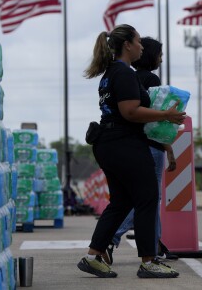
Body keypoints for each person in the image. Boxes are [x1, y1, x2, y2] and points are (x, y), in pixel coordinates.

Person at [78, 24, 185, 278]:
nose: (141, 47)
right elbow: (130, 112)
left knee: (122, 202)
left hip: (110, 144)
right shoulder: (123, 73)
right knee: (147, 198)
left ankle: (94, 256)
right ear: (127, 44)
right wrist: (167, 115)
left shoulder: (110, 73)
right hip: (124, 144)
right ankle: (149, 261)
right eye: (138, 42)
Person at [105, 37, 178, 264]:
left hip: (132, 143)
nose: (161, 59)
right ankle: (111, 237)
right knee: (148, 199)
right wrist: (168, 147)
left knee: (142, 198)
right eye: (160, 54)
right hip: (152, 145)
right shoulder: (152, 79)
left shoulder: (130, 77)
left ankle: (155, 245)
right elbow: (155, 118)